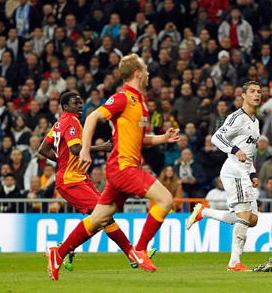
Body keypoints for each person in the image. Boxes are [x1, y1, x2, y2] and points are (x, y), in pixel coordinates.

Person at [47, 54, 180, 280]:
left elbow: (140, 138)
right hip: (123, 168)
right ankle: (139, 249)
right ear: (137, 73)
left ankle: (58, 254)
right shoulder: (122, 98)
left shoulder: (141, 105)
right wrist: (86, 149)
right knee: (165, 199)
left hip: (123, 170)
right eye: (145, 69)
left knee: (99, 218)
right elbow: (91, 118)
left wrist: (162, 138)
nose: (148, 73)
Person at [38, 91, 140, 270]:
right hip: (71, 180)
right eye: (75, 103)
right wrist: (102, 147)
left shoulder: (58, 123)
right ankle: (131, 253)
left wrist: (61, 162)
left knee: (102, 217)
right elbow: (76, 149)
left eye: (80, 102)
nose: (79, 105)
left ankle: (65, 249)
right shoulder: (71, 122)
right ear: (65, 107)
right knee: (103, 215)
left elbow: (43, 149)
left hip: (78, 178)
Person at [186, 81, 261, 271]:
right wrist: (235, 150)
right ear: (243, 95)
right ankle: (234, 262)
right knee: (244, 216)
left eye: (259, 91)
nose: (257, 94)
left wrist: (252, 172)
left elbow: (249, 154)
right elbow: (216, 137)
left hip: (244, 172)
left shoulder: (256, 121)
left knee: (251, 219)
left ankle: (204, 212)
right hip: (233, 171)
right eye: (252, 91)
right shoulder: (237, 117)